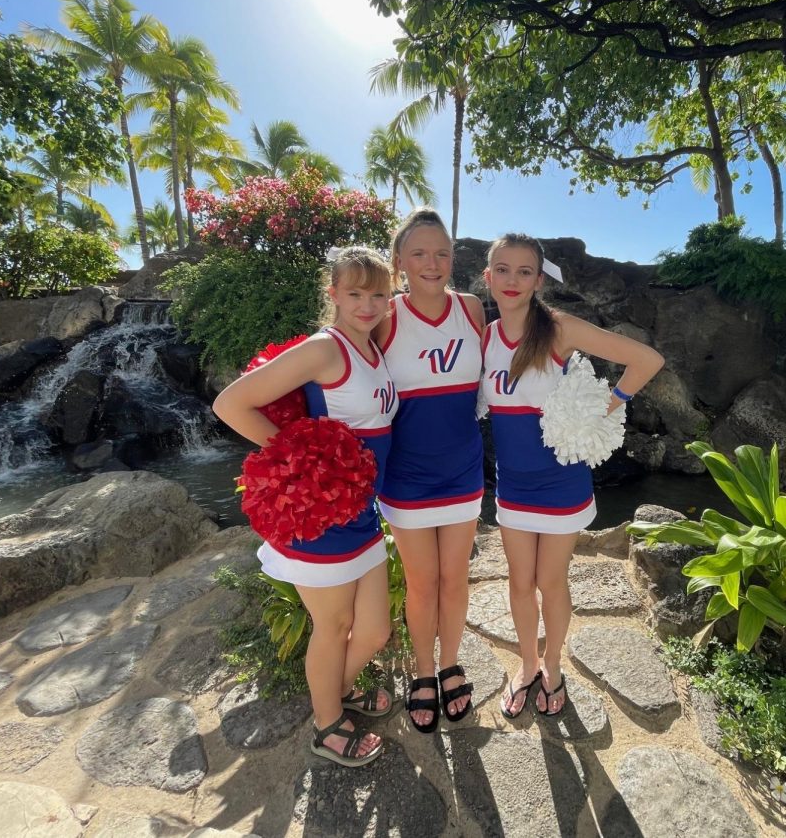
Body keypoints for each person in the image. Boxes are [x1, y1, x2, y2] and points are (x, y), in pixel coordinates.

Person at [212, 246, 397, 767]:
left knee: (376, 630)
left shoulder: (372, 347)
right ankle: (326, 725)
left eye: (378, 293)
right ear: (332, 293)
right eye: (355, 293)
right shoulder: (324, 349)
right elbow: (230, 404)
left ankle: (334, 693)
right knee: (333, 628)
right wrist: (296, 461)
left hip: (362, 515)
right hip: (325, 521)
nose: (367, 304)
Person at [482, 234, 664, 717]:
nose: (513, 280)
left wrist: (609, 408)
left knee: (550, 581)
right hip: (514, 485)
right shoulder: (484, 338)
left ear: (539, 280)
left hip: (562, 484)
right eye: (503, 269)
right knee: (519, 583)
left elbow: (646, 360)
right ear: (488, 278)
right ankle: (526, 666)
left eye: (525, 271)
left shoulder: (559, 328)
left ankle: (553, 666)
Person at [374, 209, 485, 733]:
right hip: (407, 476)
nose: (432, 263)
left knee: (454, 576)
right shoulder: (384, 317)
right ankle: (422, 671)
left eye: (441, 252)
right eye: (419, 253)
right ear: (399, 262)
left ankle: (449, 665)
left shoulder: (471, 309)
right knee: (422, 583)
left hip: (463, 470)